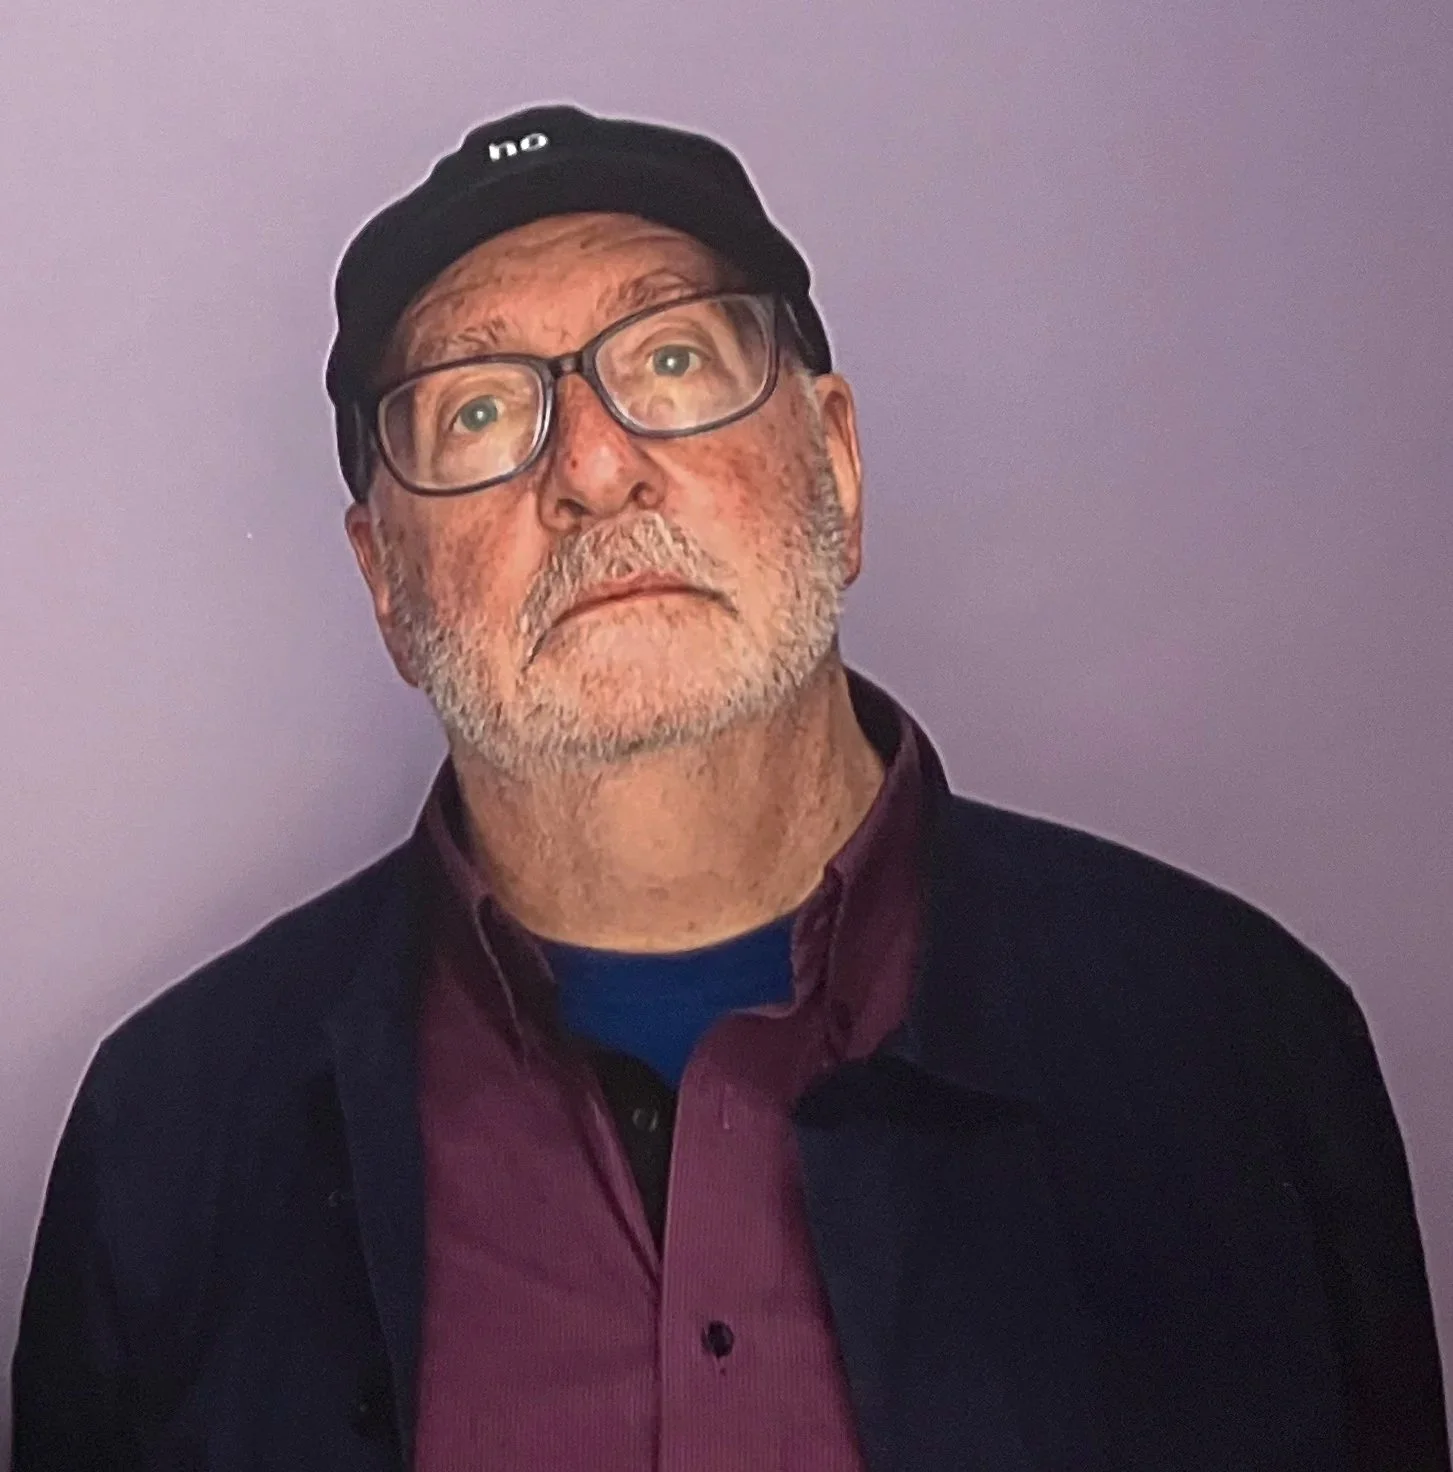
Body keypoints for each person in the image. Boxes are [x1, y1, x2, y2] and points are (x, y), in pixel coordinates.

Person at [10, 103, 1447, 1472]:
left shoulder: (1236, 1047)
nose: (593, 468)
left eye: (675, 361)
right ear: (387, 584)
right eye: (478, 412)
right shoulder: (172, 1143)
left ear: (837, 464)